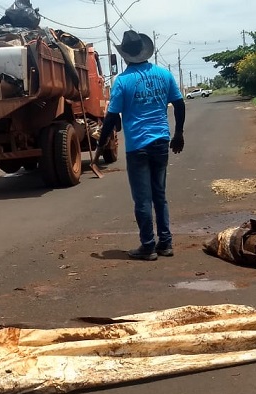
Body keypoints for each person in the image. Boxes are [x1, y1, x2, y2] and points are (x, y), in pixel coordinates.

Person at [94, 30, 185, 261]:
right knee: (160, 195)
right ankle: (166, 243)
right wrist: (179, 134)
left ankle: (148, 246)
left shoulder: (123, 82)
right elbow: (179, 103)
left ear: (125, 56)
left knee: (143, 199)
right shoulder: (164, 75)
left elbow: (112, 117)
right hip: (161, 142)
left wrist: (103, 142)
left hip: (137, 147)